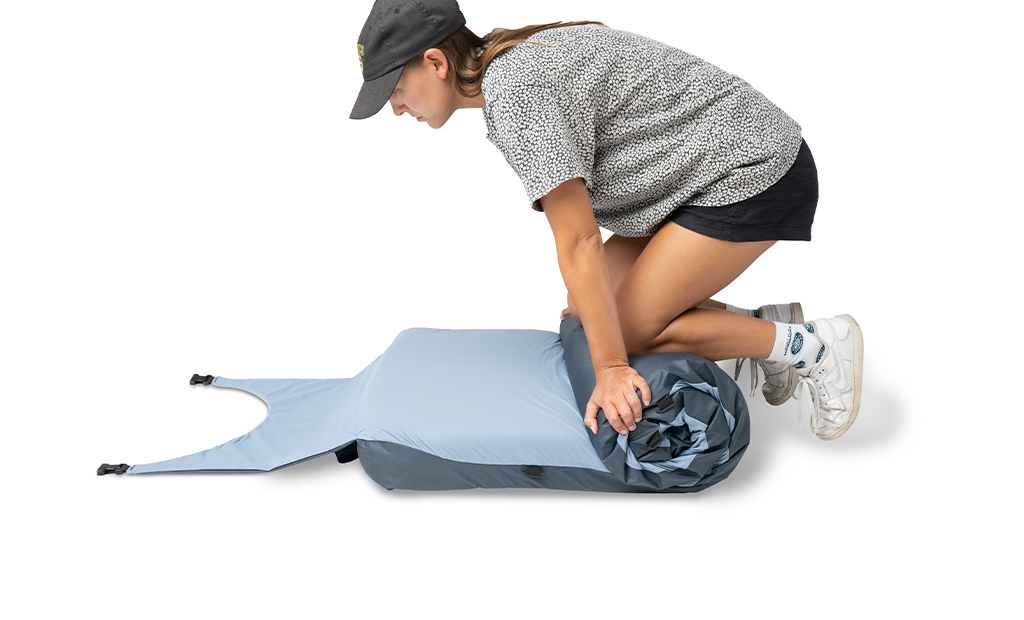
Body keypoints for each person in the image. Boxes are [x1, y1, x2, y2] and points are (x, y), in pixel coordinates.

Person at [349, 0, 863, 441]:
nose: (396, 109)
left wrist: (612, 367)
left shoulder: (516, 94)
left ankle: (816, 347)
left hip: (751, 171)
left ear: (436, 61)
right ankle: (765, 325)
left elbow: (579, 241)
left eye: (394, 88)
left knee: (628, 335)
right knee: (587, 310)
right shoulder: (510, 64)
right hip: (698, 174)